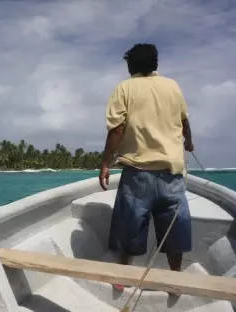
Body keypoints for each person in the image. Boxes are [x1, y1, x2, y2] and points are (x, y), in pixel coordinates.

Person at [99, 43, 194, 291]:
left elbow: (117, 129)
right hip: (172, 177)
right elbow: (184, 121)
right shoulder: (172, 86)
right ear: (155, 64)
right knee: (175, 233)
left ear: (131, 65)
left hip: (138, 175)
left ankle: (121, 280)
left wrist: (105, 162)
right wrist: (190, 142)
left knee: (127, 228)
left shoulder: (124, 88)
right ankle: (174, 281)